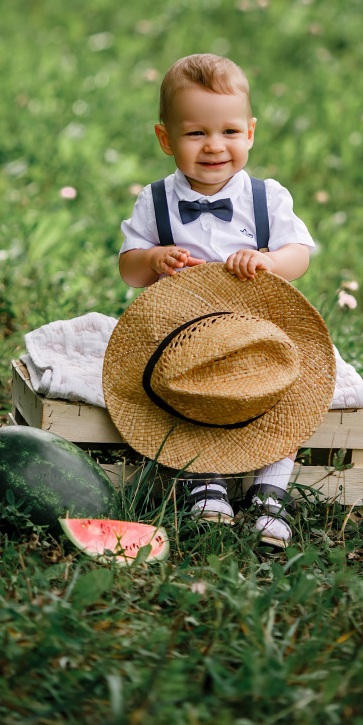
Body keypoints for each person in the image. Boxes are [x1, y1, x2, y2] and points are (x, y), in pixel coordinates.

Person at [117, 53, 321, 546]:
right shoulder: (156, 199)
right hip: (183, 336)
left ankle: (270, 493)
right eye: (195, 134)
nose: (214, 147)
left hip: (255, 334)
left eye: (229, 132)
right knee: (175, 396)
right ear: (166, 139)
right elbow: (127, 267)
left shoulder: (267, 196)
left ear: (250, 132)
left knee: (285, 394)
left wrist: (270, 262)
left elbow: (301, 253)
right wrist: (155, 259)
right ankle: (202, 482)